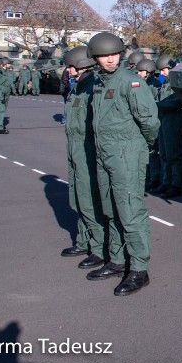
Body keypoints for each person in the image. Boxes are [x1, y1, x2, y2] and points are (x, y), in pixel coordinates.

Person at [85, 32, 159, 296]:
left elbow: (150, 122)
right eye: (104, 55)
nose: (110, 59)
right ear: (95, 57)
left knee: (130, 210)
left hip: (126, 153)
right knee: (110, 207)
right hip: (105, 154)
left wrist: (141, 148)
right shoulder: (98, 84)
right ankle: (117, 260)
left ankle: (139, 268)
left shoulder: (131, 83)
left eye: (114, 54)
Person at [59, 46, 107, 270]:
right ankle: (83, 240)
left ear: (81, 65)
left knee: (89, 198)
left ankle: (98, 248)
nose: (67, 70)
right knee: (76, 196)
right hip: (75, 149)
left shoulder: (92, 88)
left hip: (87, 149)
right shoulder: (78, 87)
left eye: (70, 66)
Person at [152, 54, 182, 199]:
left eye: (164, 70)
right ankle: (166, 182)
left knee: (173, 155)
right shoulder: (166, 83)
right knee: (164, 154)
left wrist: (156, 105)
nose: (162, 73)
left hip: (173, 121)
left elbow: (176, 102)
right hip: (164, 121)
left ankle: (175, 184)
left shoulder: (177, 83)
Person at [135, 58, 162, 193]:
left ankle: (154, 178)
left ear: (149, 71)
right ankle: (148, 177)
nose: (139, 73)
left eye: (141, 71)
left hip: (151, 122)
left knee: (152, 153)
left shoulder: (154, 85)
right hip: (143, 121)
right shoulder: (143, 83)